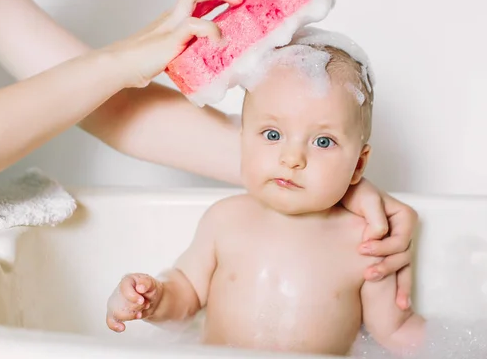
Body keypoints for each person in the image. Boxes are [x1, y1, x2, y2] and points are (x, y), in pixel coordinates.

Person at [0, 0, 417, 308]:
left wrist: (323, 176)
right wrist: (115, 63)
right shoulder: (222, 226)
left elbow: (114, 107)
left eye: (325, 142)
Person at [105, 37, 426, 357]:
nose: (292, 158)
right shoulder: (225, 220)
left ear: (358, 165)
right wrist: (155, 300)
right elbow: (186, 294)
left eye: (323, 142)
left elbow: (394, 332)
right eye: (272, 135)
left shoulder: (367, 243)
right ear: (243, 140)